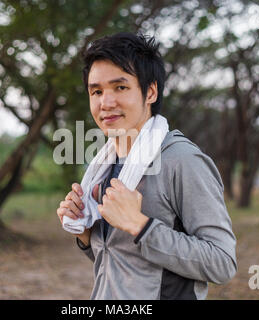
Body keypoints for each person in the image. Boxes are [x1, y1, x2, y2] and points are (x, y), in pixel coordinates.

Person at [56, 32, 237, 300]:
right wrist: (86, 234)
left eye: (120, 87)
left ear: (150, 91)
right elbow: (124, 263)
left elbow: (223, 263)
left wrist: (140, 225)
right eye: (97, 91)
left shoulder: (182, 161)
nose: (106, 103)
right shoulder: (105, 165)